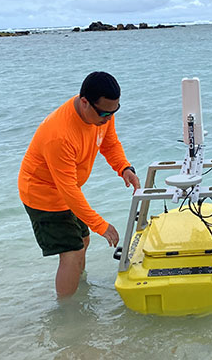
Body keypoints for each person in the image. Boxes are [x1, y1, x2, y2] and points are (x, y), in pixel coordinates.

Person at [19, 71, 140, 298]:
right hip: (42, 194)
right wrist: (102, 225)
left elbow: (109, 143)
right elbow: (69, 191)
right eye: (105, 112)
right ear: (85, 102)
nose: (109, 118)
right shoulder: (60, 135)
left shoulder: (102, 114)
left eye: (115, 111)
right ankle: (67, 313)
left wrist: (124, 168)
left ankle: (80, 289)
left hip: (66, 191)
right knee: (72, 251)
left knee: (83, 239)